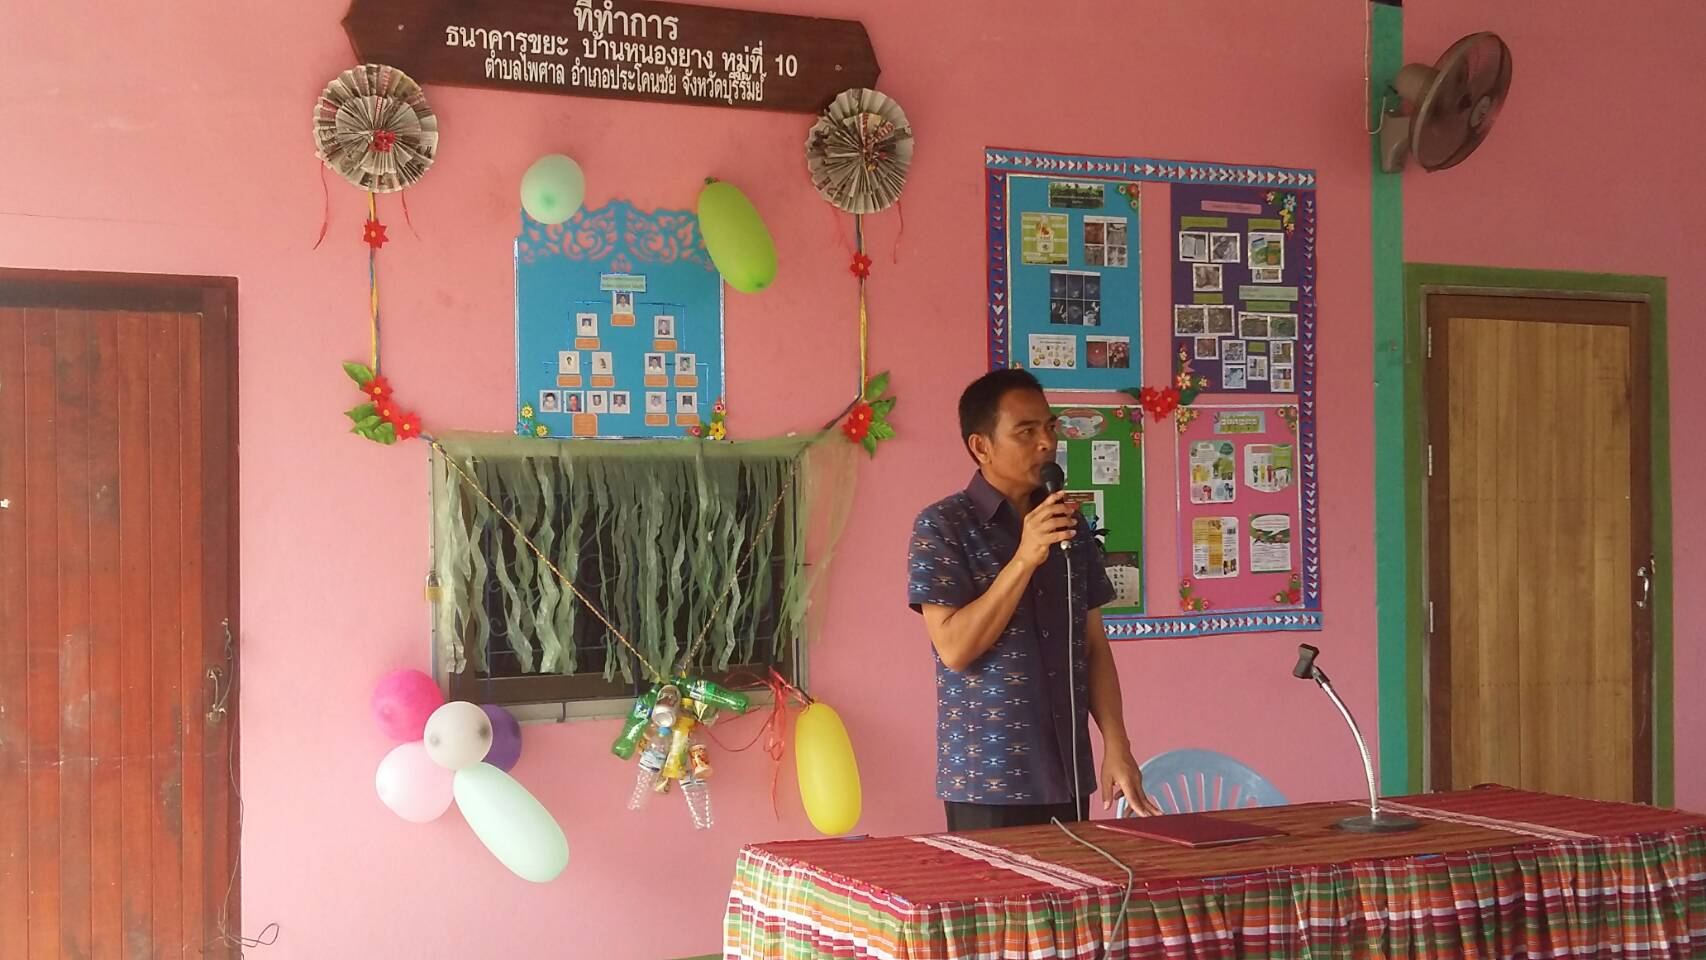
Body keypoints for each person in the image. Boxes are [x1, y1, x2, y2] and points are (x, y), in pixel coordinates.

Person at [908, 369, 1159, 831]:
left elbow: (1093, 646)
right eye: (1025, 432)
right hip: (988, 779)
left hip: (1068, 771)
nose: (1046, 443)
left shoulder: (1070, 524)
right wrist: (1024, 558)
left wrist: (1117, 745)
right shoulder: (942, 526)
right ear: (981, 446)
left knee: (1078, 880)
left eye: (1050, 427)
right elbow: (955, 649)